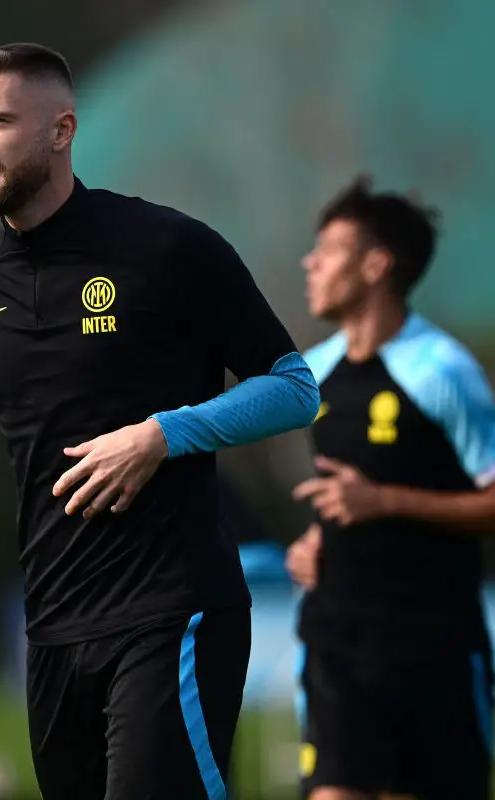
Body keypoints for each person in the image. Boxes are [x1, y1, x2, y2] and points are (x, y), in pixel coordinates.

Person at [0, 42, 319, 799]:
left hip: (173, 610)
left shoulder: (167, 248)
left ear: (61, 131)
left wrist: (162, 434)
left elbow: (292, 387)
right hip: (52, 629)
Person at [286, 176, 495, 800]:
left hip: (433, 648)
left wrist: (384, 504)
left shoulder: (441, 371)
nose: (311, 262)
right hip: (337, 641)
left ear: (376, 264)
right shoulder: (312, 374)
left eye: (328, 249)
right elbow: (341, 495)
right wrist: (314, 538)